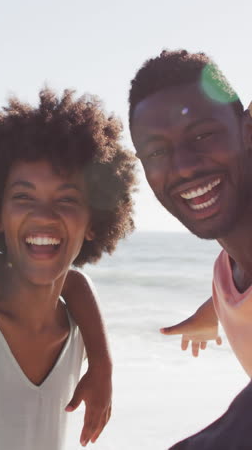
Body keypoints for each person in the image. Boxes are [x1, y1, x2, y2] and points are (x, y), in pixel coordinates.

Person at [0, 88, 135, 450]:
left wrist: (102, 364)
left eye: (67, 199)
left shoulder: (76, 331)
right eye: (23, 196)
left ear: (94, 222)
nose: (44, 215)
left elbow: (72, 281)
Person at [128, 49, 252, 448]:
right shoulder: (227, 273)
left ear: (247, 129)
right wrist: (211, 313)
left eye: (201, 135)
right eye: (157, 152)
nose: (182, 167)